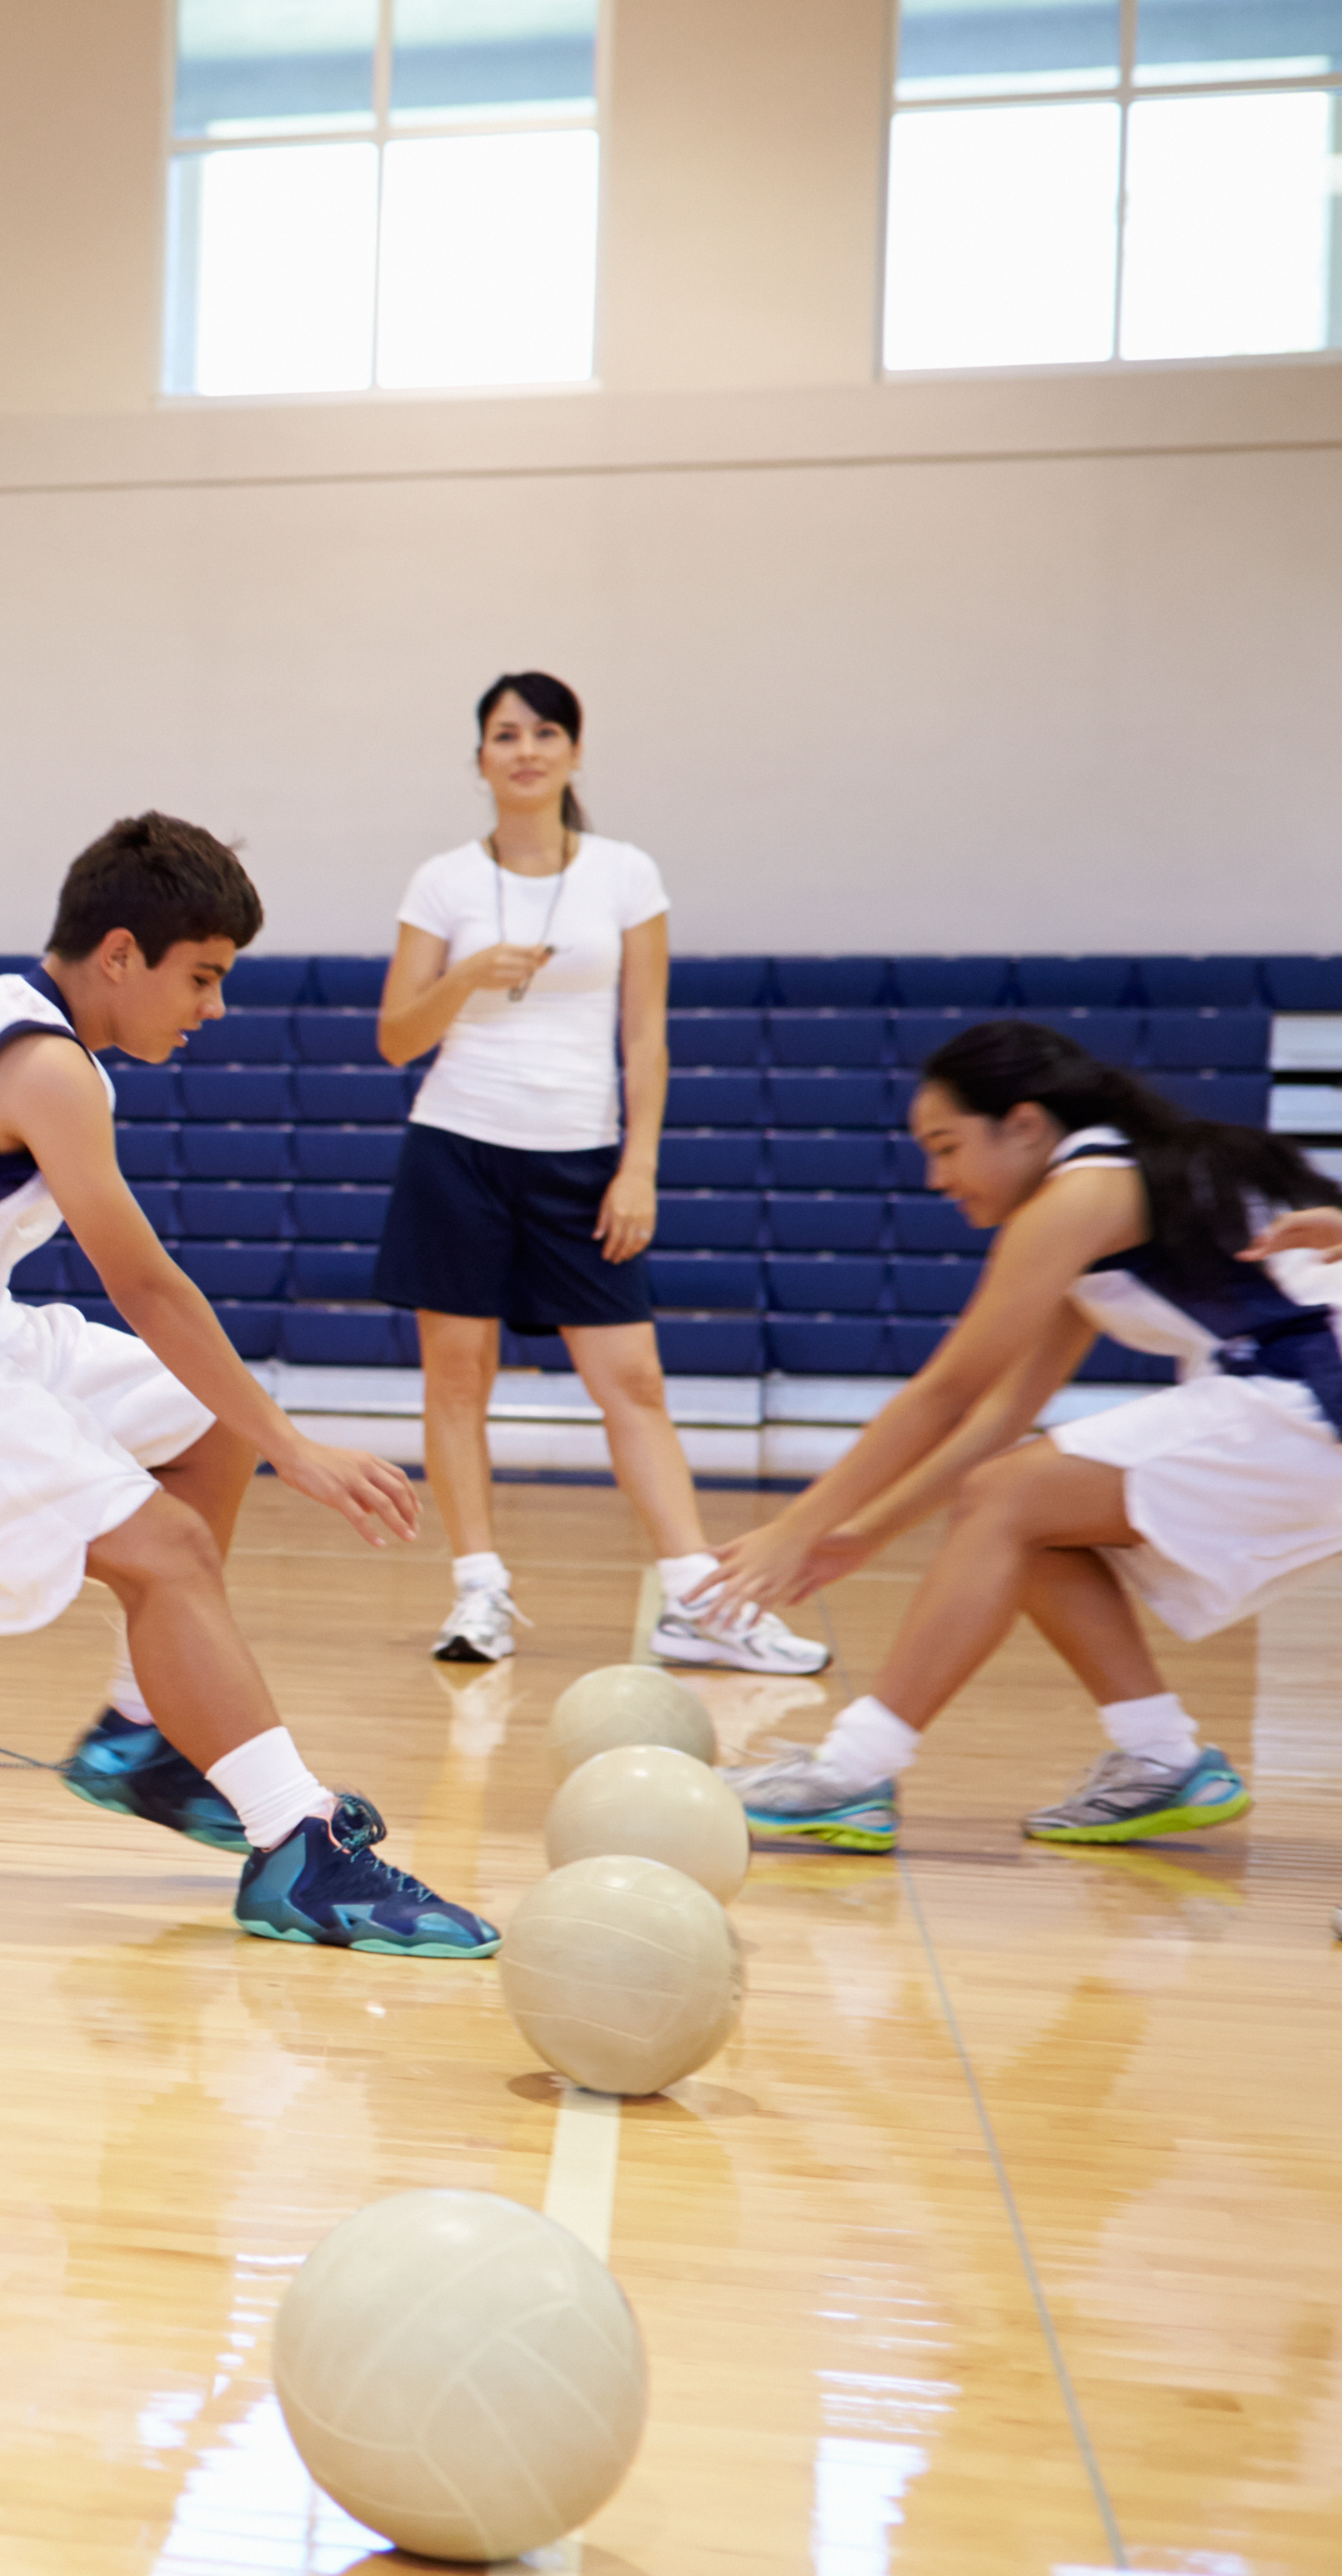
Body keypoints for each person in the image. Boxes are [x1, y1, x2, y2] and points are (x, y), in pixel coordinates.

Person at [0, 813, 499, 1955]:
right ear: (118, 955)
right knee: (169, 1550)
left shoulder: (32, 1031)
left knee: (204, 1426)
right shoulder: (45, 1066)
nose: (214, 1007)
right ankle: (296, 1851)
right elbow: (145, 1287)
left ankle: (144, 1740)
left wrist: (260, 1433)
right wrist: (297, 1447)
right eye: (201, 977)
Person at [697, 1020, 1342, 1852]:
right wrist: (861, 1536)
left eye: (948, 1145)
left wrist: (797, 1527)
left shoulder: (1082, 1195)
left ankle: (851, 1775)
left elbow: (946, 1392)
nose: (936, 1177)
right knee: (1029, 1524)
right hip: (1294, 1406)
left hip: (1308, 1402)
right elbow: (998, 1416)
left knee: (1012, 1498)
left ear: (1026, 1126)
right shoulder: (1106, 1193)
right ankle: (1162, 1759)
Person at [373, 672, 829, 1677]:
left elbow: (646, 1035)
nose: (525, 750)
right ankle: (479, 1591)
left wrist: (640, 1165)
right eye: (505, 734)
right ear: (480, 759)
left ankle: (696, 1599)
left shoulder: (625, 873)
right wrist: (466, 976)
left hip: (583, 1156)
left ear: (575, 753)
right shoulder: (443, 881)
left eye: (545, 733)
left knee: (634, 1382)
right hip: (457, 1147)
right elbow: (395, 1039)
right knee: (458, 1378)